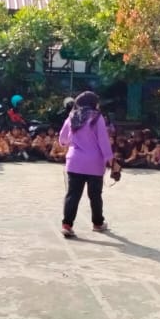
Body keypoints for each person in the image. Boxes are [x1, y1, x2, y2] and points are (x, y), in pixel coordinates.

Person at [58, 91, 115, 238]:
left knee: (72, 195)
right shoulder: (97, 118)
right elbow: (103, 141)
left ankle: (67, 225)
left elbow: (62, 139)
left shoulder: (72, 117)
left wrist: (73, 143)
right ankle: (97, 223)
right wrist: (111, 159)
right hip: (94, 163)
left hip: (74, 162)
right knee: (95, 195)